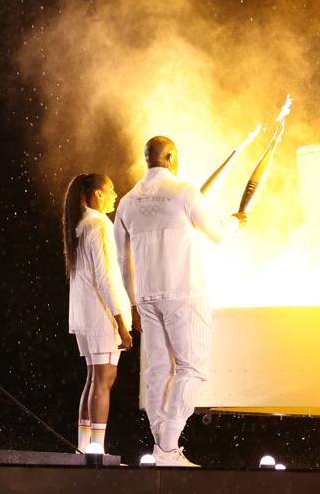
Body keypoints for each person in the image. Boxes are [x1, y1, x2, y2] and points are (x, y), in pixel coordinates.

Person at [115, 136, 246, 467]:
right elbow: (216, 235)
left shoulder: (128, 202)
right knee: (192, 368)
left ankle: (164, 449)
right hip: (184, 293)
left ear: (147, 159)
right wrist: (235, 221)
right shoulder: (185, 192)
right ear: (170, 156)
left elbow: (120, 260)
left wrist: (131, 305)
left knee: (160, 370)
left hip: (146, 297)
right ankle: (168, 446)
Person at [63, 173, 133, 455]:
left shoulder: (79, 225)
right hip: (101, 316)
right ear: (98, 195)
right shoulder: (99, 225)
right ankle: (97, 450)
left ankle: (84, 448)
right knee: (103, 381)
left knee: (93, 379)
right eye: (112, 190)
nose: (116, 196)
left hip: (84, 316)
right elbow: (105, 278)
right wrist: (121, 323)